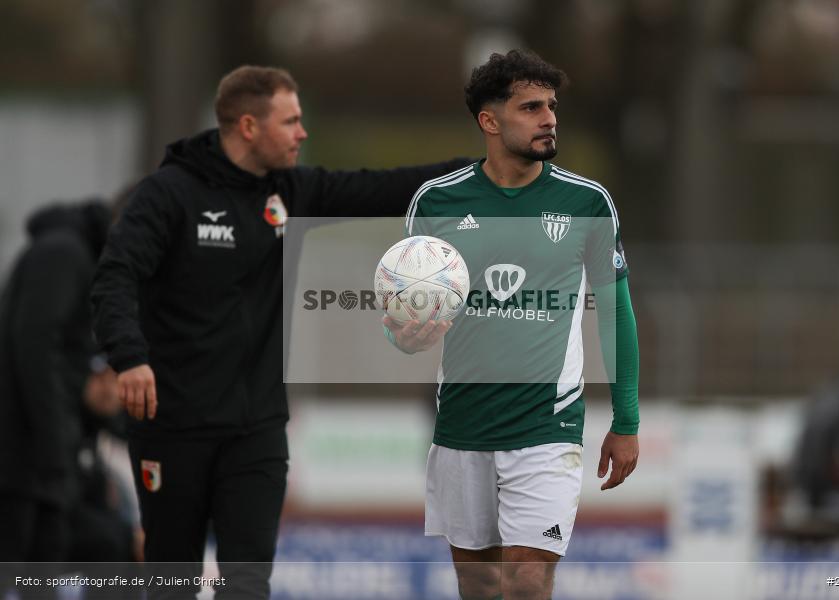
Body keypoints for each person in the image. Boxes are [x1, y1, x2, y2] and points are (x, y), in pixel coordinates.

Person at [89, 65, 471, 599]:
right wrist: (129, 357)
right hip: (173, 428)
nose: (302, 132)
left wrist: (479, 172)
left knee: (247, 585)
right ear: (249, 126)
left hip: (257, 431)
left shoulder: (291, 191)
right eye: (290, 121)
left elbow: (380, 187)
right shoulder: (168, 194)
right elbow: (115, 275)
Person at [384, 50, 641, 600]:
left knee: (525, 581)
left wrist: (626, 420)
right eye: (531, 108)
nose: (549, 119)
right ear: (490, 121)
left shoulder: (587, 202)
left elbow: (616, 314)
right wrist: (402, 335)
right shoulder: (436, 201)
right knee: (478, 586)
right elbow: (406, 315)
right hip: (463, 425)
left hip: (547, 426)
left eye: (552, 106)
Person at [0, 200, 112, 596]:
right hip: (22, 460)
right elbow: (35, 347)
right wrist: (55, 446)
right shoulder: (64, 254)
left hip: (38, 461)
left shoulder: (75, 257)